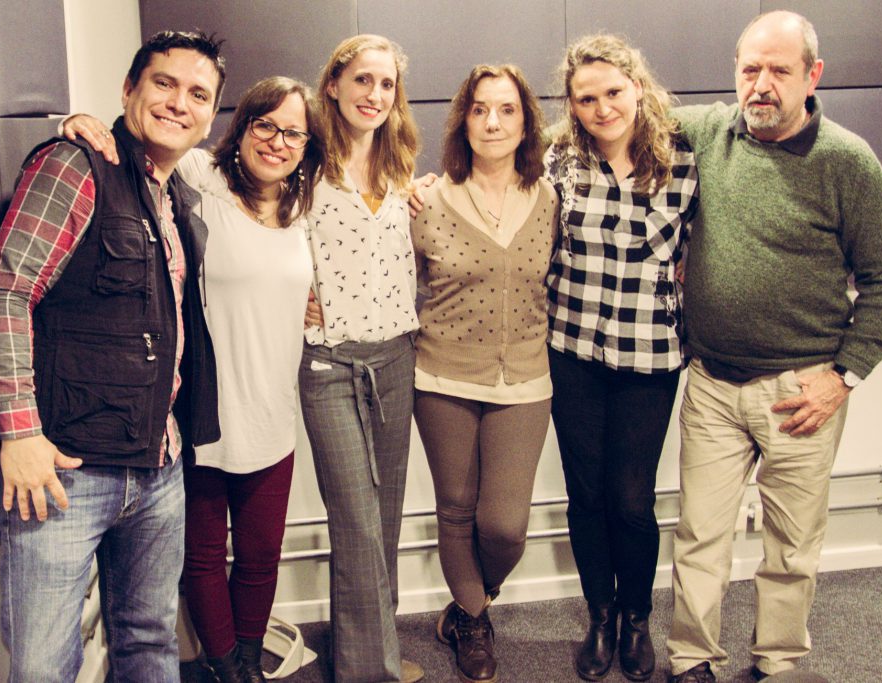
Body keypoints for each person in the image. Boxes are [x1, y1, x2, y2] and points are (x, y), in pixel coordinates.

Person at [0, 30, 225, 682]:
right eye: (164, 83)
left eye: (198, 94)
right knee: (44, 667)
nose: (179, 103)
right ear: (128, 89)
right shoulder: (74, 166)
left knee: (149, 642)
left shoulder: (177, 194)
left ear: (209, 117)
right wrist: (19, 432)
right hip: (65, 471)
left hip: (159, 464)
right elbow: (5, 292)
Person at [666, 11, 882, 683]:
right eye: (751, 69)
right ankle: (691, 658)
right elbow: (619, 119)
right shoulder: (709, 133)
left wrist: (844, 376)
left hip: (802, 390)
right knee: (700, 536)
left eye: (779, 70)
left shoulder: (847, 161)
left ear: (813, 75)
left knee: (792, 545)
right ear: (735, 72)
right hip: (713, 383)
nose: (762, 84)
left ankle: (778, 663)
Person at [63, 75, 327, 683]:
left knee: (260, 556)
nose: (278, 141)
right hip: (203, 411)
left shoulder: (306, 207)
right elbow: (144, 143)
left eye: (293, 133)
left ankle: (249, 659)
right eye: (265, 124)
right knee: (203, 556)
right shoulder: (201, 178)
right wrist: (80, 123)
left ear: (307, 146)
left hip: (273, 412)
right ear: (242, 127)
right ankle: (226, 665)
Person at [544, 34, 698, 682]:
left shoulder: (684, 155)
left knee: (631, 499)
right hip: (572, 348)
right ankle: (600, 616)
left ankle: (637, 617)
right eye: (586, 99)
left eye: (613, 92)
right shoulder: (557, 158)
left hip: (650, 354)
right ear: (572, 104)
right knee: (585, 496)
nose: (602, 108)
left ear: (637, 86)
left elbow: (706, 240)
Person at [411, 64, 557, 683]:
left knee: (504, 526)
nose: (492, 122)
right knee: (455, 509)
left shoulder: (551, 198)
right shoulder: (426, 200)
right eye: (479, 109)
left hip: (525, 378)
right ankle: (472, 622)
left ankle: (475, 594)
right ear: (463, 121)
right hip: (441, 376)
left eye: (506, 109)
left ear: (526, 123)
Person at [300, 34, 424, 683]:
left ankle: (372, 650)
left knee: (386, 514)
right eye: (363, 80)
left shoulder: (402, 170)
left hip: (396, 356)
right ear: (334, 84)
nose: (375, 95)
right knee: (355, 517)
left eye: (386, 84)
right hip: (329, 364)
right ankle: (372, 671)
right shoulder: (302, 163)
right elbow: (223, 194)